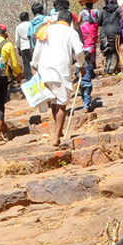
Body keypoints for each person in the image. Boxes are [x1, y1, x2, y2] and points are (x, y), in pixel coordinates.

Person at [31, 10, 85, 148]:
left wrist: (34, 66)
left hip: (44, 69)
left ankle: (58, 130)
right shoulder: (71, 32)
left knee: (54, 102)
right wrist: (81, 65)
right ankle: (56, 136)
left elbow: (37, 49)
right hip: (60, 70)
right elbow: (79, 51)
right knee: (61, 103)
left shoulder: (46, 29)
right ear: (70, 21)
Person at [76, 0, 101, 113]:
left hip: (85, 31)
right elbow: (100, 21)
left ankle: (86, 64)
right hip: (93, 31)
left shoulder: (82, 13)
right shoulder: (96, 11)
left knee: (85, 48)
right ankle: (90, 66)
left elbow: (78, 23)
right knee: (92, 49)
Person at [100, 0, 122, 74]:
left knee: (107, 50)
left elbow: (99, 22)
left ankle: (107, 68)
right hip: (115, 31)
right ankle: (112, 68)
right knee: (115, 50)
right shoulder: (118, 9)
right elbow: (122, 19)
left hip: (104, 33)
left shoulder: (103, 11)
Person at [15, 12, 33, 80]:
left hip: (23, 47)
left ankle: (29, 80)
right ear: (28, 17)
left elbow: (17, 40)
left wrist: (18, 49)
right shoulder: (31, 24)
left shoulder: (18, 27)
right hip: (32, 46)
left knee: (26, 65)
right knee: (35, 64)